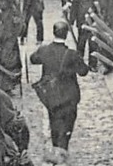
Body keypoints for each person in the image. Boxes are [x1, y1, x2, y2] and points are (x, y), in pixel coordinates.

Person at [30, 20, 88, 149]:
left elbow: (33, 59)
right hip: (69, 97)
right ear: (66, 34)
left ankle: (57, 149)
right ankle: (62, 150)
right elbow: (83, 71)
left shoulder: (44, 50)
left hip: (52, 97)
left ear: (53, 32)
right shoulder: (72, 54)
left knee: (55, 125)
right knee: (67, 126)